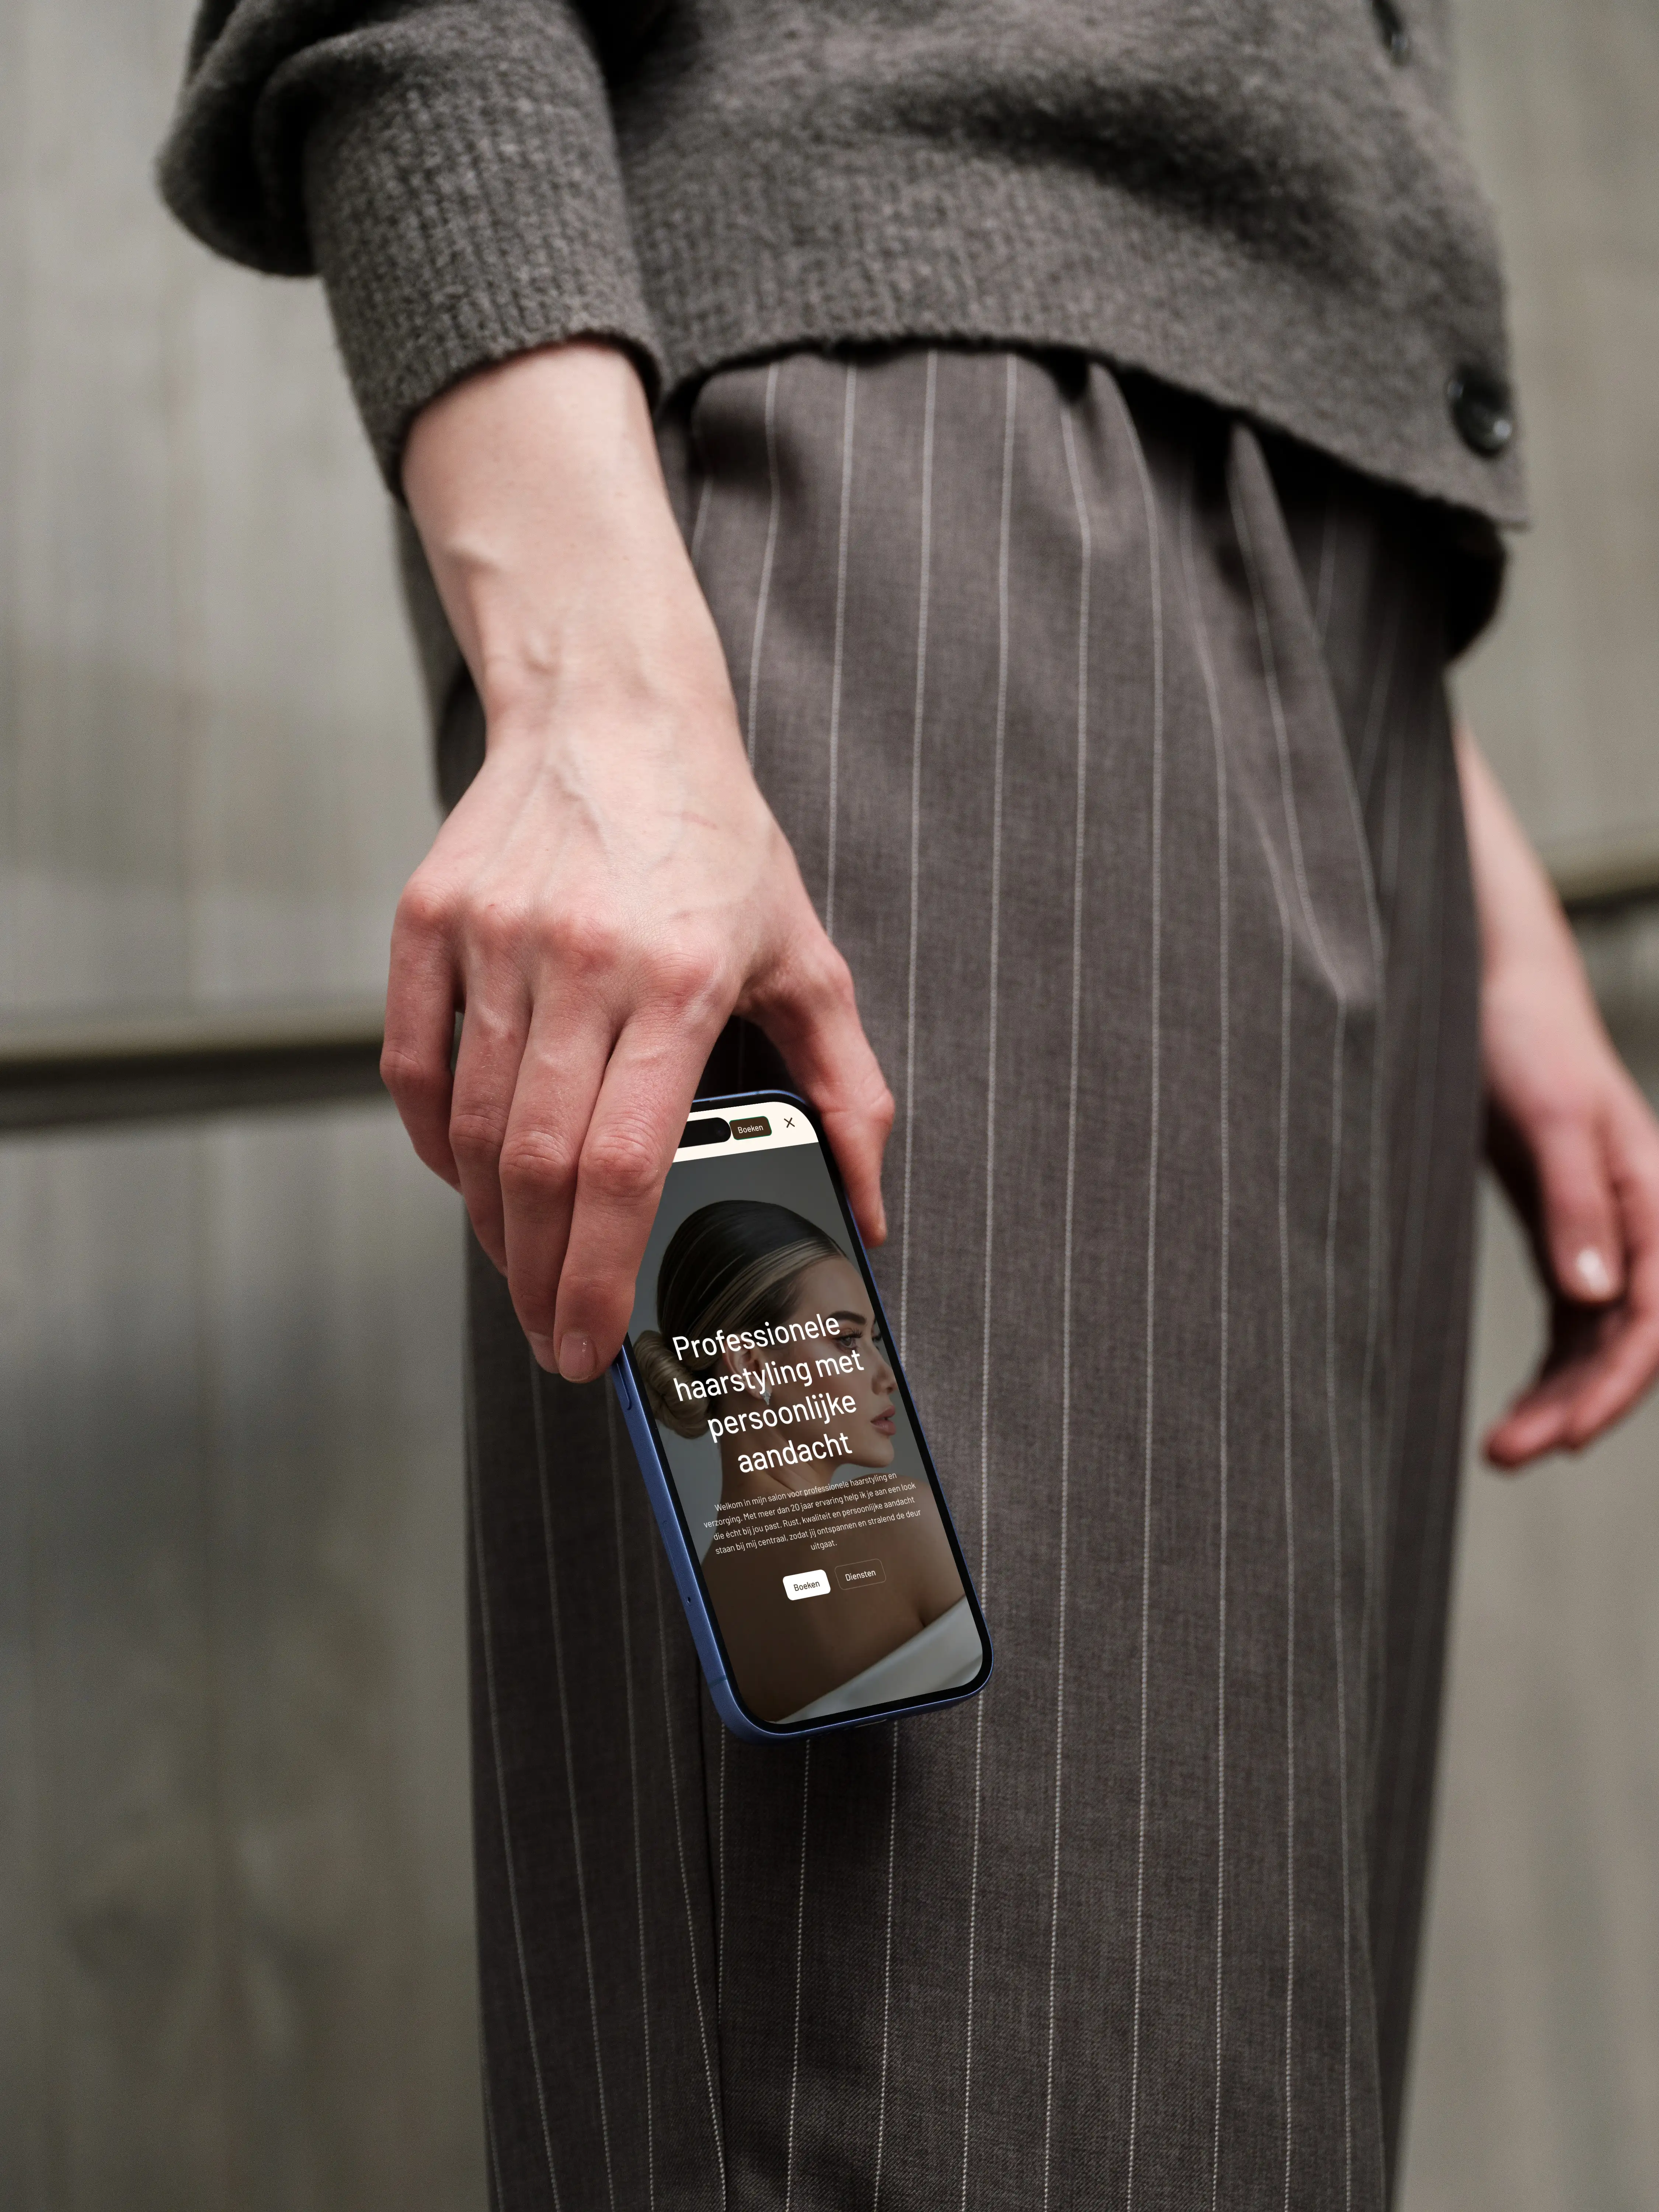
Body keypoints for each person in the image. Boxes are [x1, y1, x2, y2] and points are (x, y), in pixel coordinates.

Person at [159, 5, 1659, 2206]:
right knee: (968, 2093)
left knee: (1210, 2107)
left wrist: (1442, 810)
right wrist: (585, 680)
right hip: (923, 516)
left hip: (1316, 618)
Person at [635, 1198, 965, 1721]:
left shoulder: (700, 1609)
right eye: (846, 1339)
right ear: (751, 1363)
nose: (888, 1376)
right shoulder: (899, 1519)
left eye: (873, 1340)